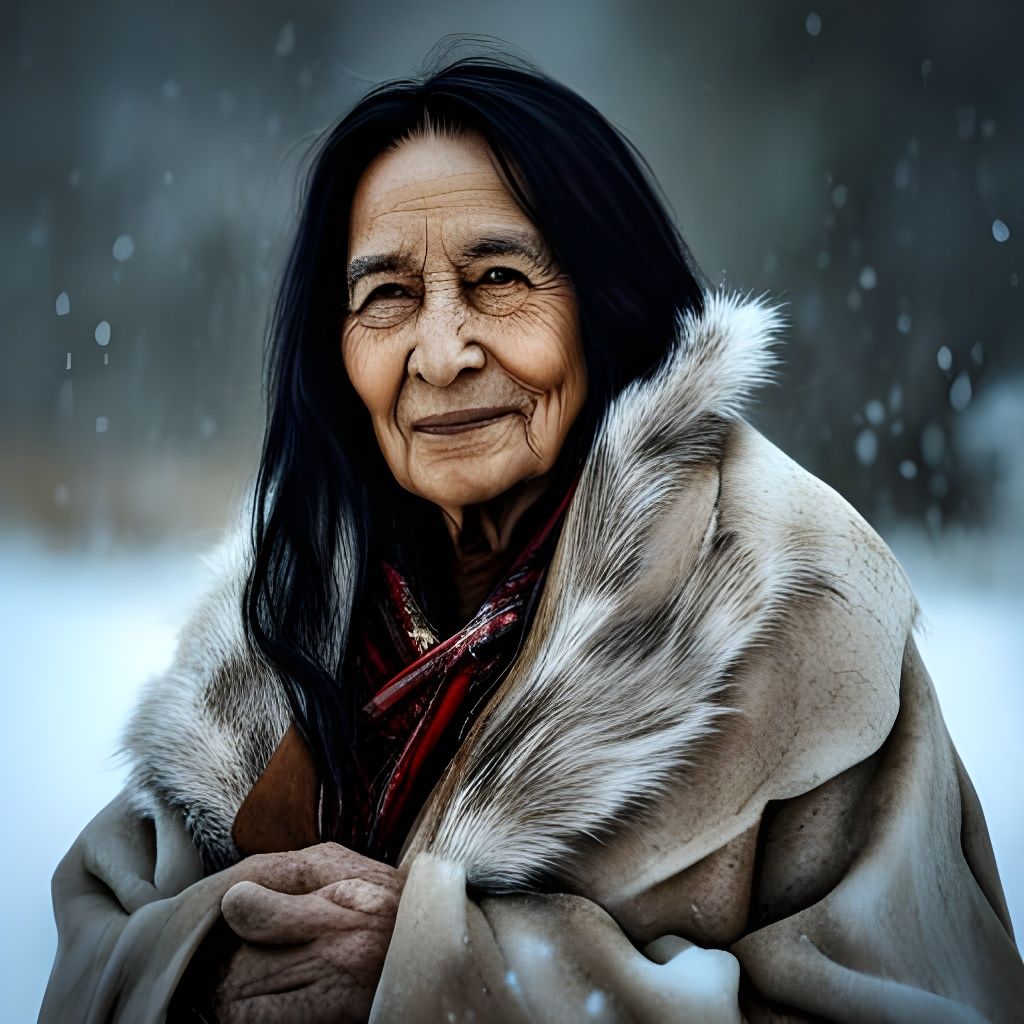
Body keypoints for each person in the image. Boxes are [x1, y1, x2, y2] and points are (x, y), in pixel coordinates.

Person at [41, 48, 1023, 1024]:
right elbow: (99, 943)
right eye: (386, 295)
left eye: (498, 278)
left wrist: (441, 971)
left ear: (606, 304)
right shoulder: (269, 633)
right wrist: (215, 962)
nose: (441, 351)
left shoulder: (787, 598)